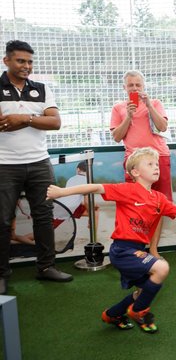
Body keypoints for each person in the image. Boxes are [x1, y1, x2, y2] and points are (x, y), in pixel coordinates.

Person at [46, 147, 176, 333]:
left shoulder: (159, 198)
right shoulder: (127, 190)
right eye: (150, 164)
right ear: (135, 172)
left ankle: (112, 315)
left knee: (141, 292)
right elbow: (95, 187)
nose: (156, 167)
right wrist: (61, 192)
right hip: (122, 250)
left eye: (157, 164)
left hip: (139, 250)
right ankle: (139, 312)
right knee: (161, 268)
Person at [0, 40, 74, 295]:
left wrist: (24, 119)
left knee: (44, 216)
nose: (27, 66)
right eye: (21, 61)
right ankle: (1, 275)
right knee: (2, 220)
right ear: (6, 61)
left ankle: (46, 267)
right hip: (4, 164)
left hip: (39, 162)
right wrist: (36, 120)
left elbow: (55, 122)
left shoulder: (42, 89)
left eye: (30, 62)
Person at [110, 70, 171, 259]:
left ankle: (153, 249)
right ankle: (134, 250)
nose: (134, 88)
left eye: (138, 85)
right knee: (133, 207)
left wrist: (149, 106)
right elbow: (116, 137)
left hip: (158, 157)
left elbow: (162, 127)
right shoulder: (118, 108)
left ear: (143, 86)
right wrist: (128, 116)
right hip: (134, 161)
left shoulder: (156, 103)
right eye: (131, 85)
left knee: (158, 206)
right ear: (124, 88)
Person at [57, 161, 100, 232]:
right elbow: (87, 201)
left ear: (78, 169)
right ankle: (94, 238)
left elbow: (73, 198)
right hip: (68, 209)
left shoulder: (71, 179)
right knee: (94, 212)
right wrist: (91, 215)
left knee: (95, 209)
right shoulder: (87, 181)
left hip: (63, 206)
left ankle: (92, 229)